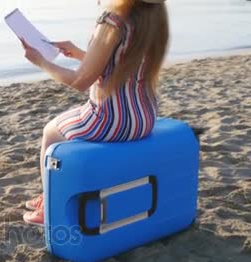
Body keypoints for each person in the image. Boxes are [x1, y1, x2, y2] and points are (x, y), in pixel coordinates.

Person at [20, 0, 169, 225]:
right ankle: (50, 195)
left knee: (50, 132)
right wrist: (81, 54)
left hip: (112, 121)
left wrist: (41, 62)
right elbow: (123, 63)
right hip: (144, 117)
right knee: (68, 121)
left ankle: (50, 204)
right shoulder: (153, 14)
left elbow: (80, 81)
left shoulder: (113, 21)